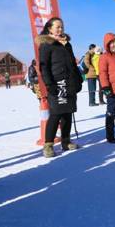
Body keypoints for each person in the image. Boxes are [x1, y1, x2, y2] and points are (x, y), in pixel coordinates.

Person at [37, 17, 83, 158]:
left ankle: (65, 141)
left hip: (69, 82)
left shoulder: (66, 44)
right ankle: (48, 145)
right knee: (56, 114)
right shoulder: (46, 44)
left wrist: (78, 79)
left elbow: (73, 64)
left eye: (62, 27)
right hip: (58, 83)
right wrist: (49, 84)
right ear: (49, 28)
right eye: (57, 27)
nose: (60, 29)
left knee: (68, 113)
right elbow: (44, 67)